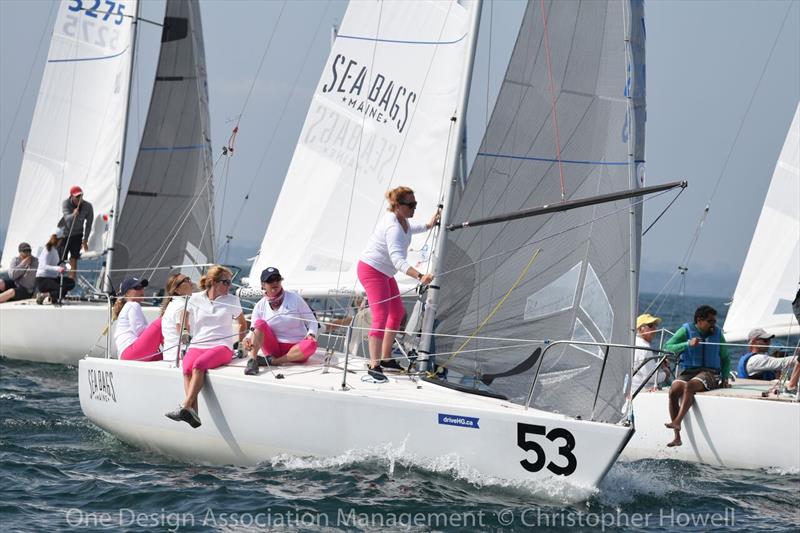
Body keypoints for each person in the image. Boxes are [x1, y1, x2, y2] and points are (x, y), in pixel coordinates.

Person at [357, 186, 440, 382]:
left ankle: (386, 359)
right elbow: (398, 261)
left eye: (415, 204)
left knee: (397, 312)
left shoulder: (403, 221)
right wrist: (420, 276)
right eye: (410, 205)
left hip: (384, 272)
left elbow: (412, 228)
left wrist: (429, 225)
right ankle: (374, 364)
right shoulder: (393, 227)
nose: (414, 208)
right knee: (381, 316)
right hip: (372, 270)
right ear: (397, 206)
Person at [165, 265, 247, 428]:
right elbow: (183, 314)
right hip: (198, 343)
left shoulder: (232, 300)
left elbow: (243, 324)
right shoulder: (195, 298)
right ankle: (194, 415)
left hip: (222, 346)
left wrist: (241, 346)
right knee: (186, 368)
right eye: (226, 282)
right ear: (213, 282)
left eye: (230, 282)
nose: (229, 286)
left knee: (199, 365)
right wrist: (186, 330)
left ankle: (186, 406)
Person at [662, 305, 730, 447]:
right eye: (710, 321)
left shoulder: (717, 333)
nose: (714, 324)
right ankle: (677, 437)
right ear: (699, 320)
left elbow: (725, 357)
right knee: (673, 390)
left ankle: (677, 422)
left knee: (690, 386)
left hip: (711, 372)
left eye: (714, 321)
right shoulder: (686, 330)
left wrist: (725, 377)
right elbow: (667, 346)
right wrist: (687, 343)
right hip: (689, 371)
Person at [243, 267, 319, 375]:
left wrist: (311, 334)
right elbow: (253, 330)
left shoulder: (295, 298)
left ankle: (273, 361)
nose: (274, 282)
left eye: (277, 279)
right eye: (270, 280)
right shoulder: (260, 305)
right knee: (260, 323)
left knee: (311, 345)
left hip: (296, 350)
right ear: (263, 285)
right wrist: (247, 339)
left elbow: (312, 321)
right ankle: (252, 361)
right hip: (272, 349)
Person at [113, 277, 163, 361]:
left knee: (163, 356)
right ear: (127, 293)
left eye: (142, 287)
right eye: (137, 288)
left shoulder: (128, 306)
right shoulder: (133, 305)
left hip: (126, 354)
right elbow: (140, 330)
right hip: (131, 351)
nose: (141, 290)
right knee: (161, 322)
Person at [160, 273, 195, 363]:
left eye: (189, 278)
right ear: (177, 290)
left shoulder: (173, 304)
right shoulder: (182, 306)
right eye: (186, 280)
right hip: (180, 359)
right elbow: (184, 337)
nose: (190, 282)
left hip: (170, 356)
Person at [631, 313, 671, 392]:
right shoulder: (645, 347)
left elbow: (642, 368)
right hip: (641, 391)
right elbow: (650, 377)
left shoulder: (633, 342)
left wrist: (659, 364)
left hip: (631, 388)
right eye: (650, 326)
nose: (655, 329)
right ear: (640, 328)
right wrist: (666, 374)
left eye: (655, 325)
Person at [60, 185, 94, 280]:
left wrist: (85, 240)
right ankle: (59, 280)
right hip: (64, 234)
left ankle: (71, 281)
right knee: (61, 258)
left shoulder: (88, 206)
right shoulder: (66, 203)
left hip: (77, 234)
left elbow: (89, 224)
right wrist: (73, 214)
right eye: (77, 196)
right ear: (71, 196)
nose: (80, 198)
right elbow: (67, 218)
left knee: (74, 258)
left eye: (81, 196)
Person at [35, 229, 75, 305]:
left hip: (52, 278)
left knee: (71, 283)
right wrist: (58, 268)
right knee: (62, 288)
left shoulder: (54, 250)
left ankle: (53, 298)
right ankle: (44, 295)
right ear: (59, 239)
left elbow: (55, 265)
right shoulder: (48, 249)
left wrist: (64, 266)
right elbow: (43, 266)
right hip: (42, 279)